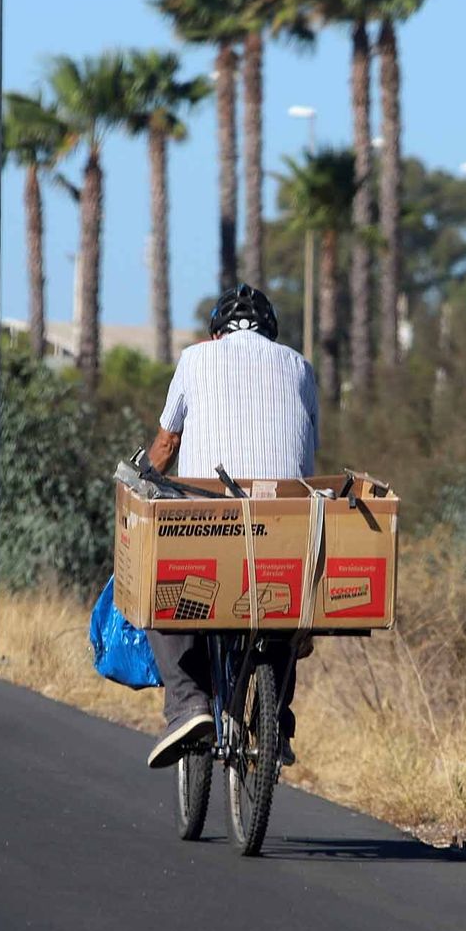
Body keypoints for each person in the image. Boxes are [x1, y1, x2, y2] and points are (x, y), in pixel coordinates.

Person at [143, 283, 320, 770]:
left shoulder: (195, 359)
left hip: (207, 517)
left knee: (162, 592)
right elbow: (307, 461)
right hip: (282, 518)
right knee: (283, 617)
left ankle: (187, 706)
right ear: (271, 333)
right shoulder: (300, 367)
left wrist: (146, 482)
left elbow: (167, 442)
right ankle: (275, 719)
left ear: (217, 333)